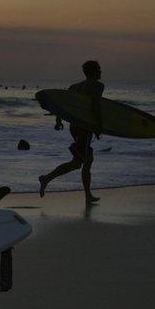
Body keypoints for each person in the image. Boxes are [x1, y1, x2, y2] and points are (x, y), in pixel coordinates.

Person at [38, 60, 104, 204]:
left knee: (87, 160)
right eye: (99, 69)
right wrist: (99, 126)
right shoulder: (97, 86)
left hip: (74, 127)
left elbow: (63, 105)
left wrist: (58, 121)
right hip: (85, 128)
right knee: (77, 162)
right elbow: (96, 106)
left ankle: (88, 195)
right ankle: (46, 178)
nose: (101, 72)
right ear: (93, 72)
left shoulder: (74, 87)